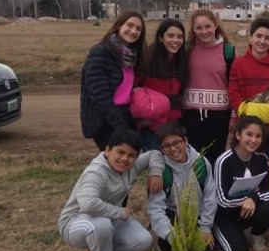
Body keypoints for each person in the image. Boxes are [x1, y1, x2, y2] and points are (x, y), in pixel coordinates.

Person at [58, 127, 164, 251]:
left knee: (143, 241)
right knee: (101, 226)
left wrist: (156, 173)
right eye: (120, 152)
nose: (125, 159)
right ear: (107, 150)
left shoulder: (131, 166)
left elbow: (154, 154)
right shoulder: (96, 172)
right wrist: (119, 212)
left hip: (109, 217)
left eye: (131, 155)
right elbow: (88, 204)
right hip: (76, 222)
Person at [147, 121, 217, 251]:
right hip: (174, 214)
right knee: (169, 246)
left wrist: (205, 227)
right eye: (167, 146)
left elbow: (210, 196)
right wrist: (171, 236)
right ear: (161, 149)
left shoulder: (201, 163)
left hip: (197, 216)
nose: (173, 149)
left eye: (177, 143)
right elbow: (156, 208)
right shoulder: (161, 171)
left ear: (185, 141)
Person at [213, 115, 269, 251]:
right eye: (249, 134)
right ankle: (220, 234)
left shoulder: (262, 158)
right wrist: (245, 201)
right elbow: (221, 199)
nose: (253, 140)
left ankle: (256, 235)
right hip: (225, 214)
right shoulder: (224, 161)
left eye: (258, 136)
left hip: (249, 210)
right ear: (238, 135)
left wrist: (253, 199)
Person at [80, 11, 147, 150]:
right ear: (118, 26)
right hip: (106, 119)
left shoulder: (133, 55)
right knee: (116, 163)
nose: (133, 31)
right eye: (130, 25)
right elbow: (99, 95)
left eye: (138, 29)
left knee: (128, 163)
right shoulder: (101, 52)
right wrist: (120, 126)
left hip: (127, 115)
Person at [228, 18, 269, 158]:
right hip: (245, 130)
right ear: (250, 38)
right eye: (258, 36)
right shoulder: (239, 64)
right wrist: (247, 123)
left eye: (267, 38)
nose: (262, 41)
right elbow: (234, 94)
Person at [182, 9, 236, 165]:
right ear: (193, 29)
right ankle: (195, 189)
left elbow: (234, 85)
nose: (204, 31)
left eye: (208, 26)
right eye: (199, 28)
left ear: (215, 26)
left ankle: (214, 189)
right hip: (192, 114)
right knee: (194, 159)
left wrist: (234, 115)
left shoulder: (228, 51)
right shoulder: (187, 50)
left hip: (220, 115)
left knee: (216, 157)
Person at [138, 19, 189, 150]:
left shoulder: (181, 62)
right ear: (161, 37)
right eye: (170, 36)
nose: (175, 40)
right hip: (152, 128)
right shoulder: (147, 61)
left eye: (179, 36)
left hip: (174, 125)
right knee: (157, 163)